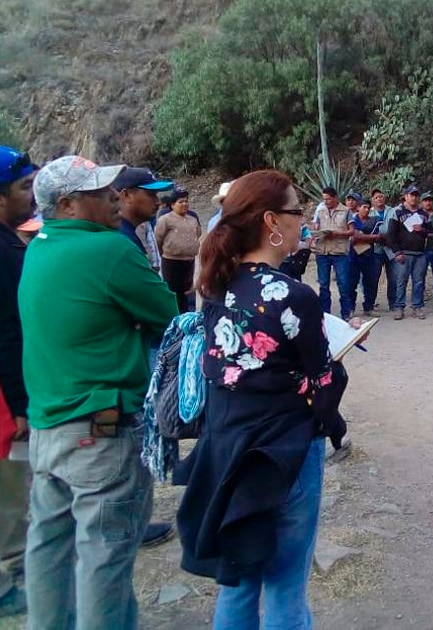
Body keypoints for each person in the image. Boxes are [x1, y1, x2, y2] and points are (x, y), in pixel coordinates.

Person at [176, 170, 346, 630]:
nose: (302, 222)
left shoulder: (214, 285)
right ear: (272, 220)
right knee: (287, 588)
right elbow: (324, 381)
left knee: (237, 582)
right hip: (284, 454)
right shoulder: (294, 297)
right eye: (296, 212)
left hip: (227, 451)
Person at [21, 155, 179, 629]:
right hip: (100, 433)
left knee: (48, 548)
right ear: (67, 204)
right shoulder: (108, 251)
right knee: (105, 558)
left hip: (49, 431)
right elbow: (168, 313)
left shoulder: (38, 247)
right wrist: (132, 320)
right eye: (98, 192)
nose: (114, 197)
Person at [112, 166, 182, 548]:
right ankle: (130, 527)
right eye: (149, 192)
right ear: (124, 195)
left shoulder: (130, 235)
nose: (158, 199)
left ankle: (134, 522)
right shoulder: (118, 241)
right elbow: (161, 307)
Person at [0, 146, 37, 619]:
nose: (32, 198)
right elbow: (8, 329)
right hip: (6, 399)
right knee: (8, 485)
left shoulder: (10, 242)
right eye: (24, 188)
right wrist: (21, 403)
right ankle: (6, 578)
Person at [155, 186, 203, 313]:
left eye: (186, 201)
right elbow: (158, 239)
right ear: (172, 204)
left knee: (187, 290)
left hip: (189, 261)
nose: (184, 204)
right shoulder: (165, 219)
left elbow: (198, 234)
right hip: (171, 261)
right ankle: (172, 315)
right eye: (180, 202)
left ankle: (188, 315)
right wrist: (165, 252)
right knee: (172, 291)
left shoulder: (193, 218)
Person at [386, 184, 430, 320]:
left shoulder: (424, 214)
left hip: (420, 253)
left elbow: (431, 232)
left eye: (416, 195)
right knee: (401, 280)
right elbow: (391, 234)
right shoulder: (397, 212)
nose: (414, 198)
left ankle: (417, 307)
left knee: (419, 281)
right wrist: (397, 252)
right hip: (403, 252)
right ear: (405, 196)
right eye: (411, 195)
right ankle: (399, 307)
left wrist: (422, 230)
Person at [312, 186, 354, 315]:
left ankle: (346, 314)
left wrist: (337, 234)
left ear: (335, 198)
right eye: (324, 199)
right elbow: (315, 228)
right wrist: (316, 234)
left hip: (339, 252)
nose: (325, 202)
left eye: (328, 199)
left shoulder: (346, 211)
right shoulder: (320, 211)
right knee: (323, 285)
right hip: (322, 252)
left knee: (343, 285)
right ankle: (325, 315)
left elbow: (352, 231)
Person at [114, 167, 174, 252]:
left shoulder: (127, 234)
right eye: (151, 194)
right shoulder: (122, 242)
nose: (158, 202)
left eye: (156, 195)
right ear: (127, 195)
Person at [345, 198, 383, 318]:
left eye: (368, 207)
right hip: (353, 256)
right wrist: (371, 236)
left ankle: (369, 307)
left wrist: (363, 236)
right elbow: (354, 236)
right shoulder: (352, 220)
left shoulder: (374, 220)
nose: (366, 210)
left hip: (369, 255)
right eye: (364, 207)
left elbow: (379, 237)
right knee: (351, 283)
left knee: (370, 282)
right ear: (358, 208)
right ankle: (350, 307)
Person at [370, 189, 396, 312]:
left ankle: (393, 303)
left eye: (381, 196)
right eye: (376, 197)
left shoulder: (393, 211)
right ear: (372, 200)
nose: (379, 199)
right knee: (374, 276)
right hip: (376, 249)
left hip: (391, 247)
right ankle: (371, 302)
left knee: (393, 277)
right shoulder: (369, 213)